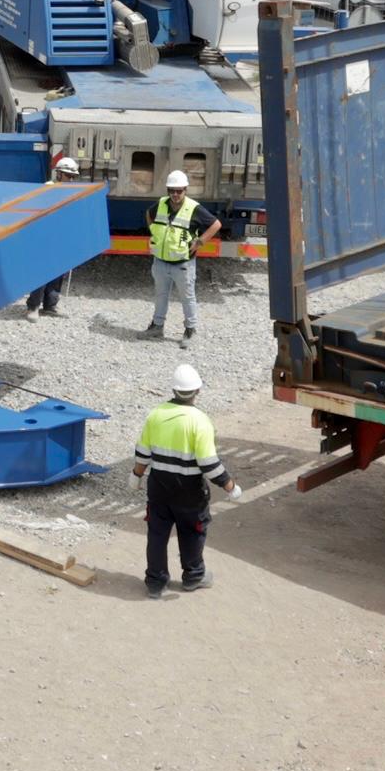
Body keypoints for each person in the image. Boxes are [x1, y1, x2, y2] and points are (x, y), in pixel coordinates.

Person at [132, 360, 227, 597]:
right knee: (192, 532)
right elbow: (209, 464)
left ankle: (155, 582)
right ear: (197, 391)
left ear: (173, 390)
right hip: (189, 492)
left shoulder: (155, 415)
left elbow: (143, 453)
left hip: (159, 488)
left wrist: (136, 475)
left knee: (157, 534)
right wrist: (229, 484)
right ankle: (193, 577)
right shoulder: (200, 421)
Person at [143, 168, 206, 341]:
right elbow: (148, 214)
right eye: (172, 191)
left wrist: (200, 241)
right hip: (161, 261)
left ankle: (190, 330)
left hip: (183, 264)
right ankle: (157, 326)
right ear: (168, 191)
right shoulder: (162, 203)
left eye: (179, 191)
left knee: (187, 297)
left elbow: (216, 224)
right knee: (160, 295)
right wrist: (154, 233)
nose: (176, 194)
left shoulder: (194, 208)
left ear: (185, 190)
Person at [23, 153, 84, 318]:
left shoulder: (72, 191)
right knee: (41, 271)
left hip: (61, 236)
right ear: (58, 173)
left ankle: (50, 305)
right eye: (68, 175)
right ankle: (33, 307)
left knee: (58, 272)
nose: (71, 179)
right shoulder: (48, 188)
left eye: (73, 177)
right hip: (46, 236)